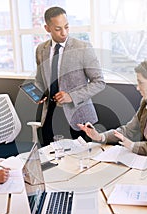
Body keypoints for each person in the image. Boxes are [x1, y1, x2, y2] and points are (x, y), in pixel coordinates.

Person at [79, 58, 147, 157]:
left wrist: (133, 146)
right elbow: (128, 131)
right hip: (145, 161)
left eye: (141, 83)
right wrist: (100, 137)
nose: (137, 88)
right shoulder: (146, 102)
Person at [35, 6, 105, 146]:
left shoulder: (83, 48)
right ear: (47, 28)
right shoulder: (41, 50)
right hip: (49, 116)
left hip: (78, 118)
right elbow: (39, 80)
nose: (64, 32)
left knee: (81, 163)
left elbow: (99, 82)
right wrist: (38, 93)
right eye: (58, 29)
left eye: (66, 27)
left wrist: (71, 96)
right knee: (52, 161)